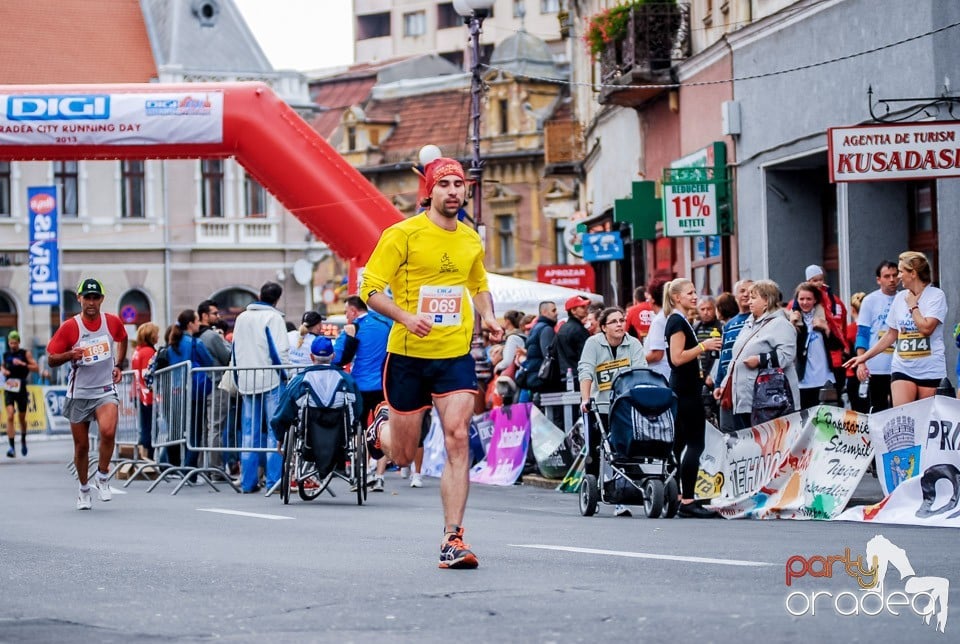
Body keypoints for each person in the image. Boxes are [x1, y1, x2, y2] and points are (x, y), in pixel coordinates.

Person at [361, 155, 502, 569]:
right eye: (445, 185)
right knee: (403, 455)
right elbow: (369, 289)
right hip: (407, 356)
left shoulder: (470, 239)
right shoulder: (402, 235)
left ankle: (453, 538)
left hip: (453, 355)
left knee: (457, 437)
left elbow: (477, 284)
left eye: (459, 184)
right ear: (429, 191)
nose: (454, 191)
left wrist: (489, 316)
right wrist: (406, 317)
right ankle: (380, 427)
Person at [46, 278, 128, 510]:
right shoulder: (70, 327)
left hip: (104, 389)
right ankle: (83, 489)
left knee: (108, 431)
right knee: (81, 447)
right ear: (79, 299)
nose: (91, 302)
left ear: (101, 299)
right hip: (79, 392)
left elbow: (122, 338)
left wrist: (118, 364)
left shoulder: (111, 322)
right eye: (87, 297)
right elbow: (52, 357)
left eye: (95, 297)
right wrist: (71, 354)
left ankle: (102, 475)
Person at [845, 251, 947, 407]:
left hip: (930, 368)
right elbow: (891, 334)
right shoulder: (900, 298)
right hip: (903, 367)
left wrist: (913, 305)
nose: (898, 277)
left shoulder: (936, 295)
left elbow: (927, 328)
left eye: (900, 272)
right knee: (902, 417)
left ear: (913, 273)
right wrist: (864, 357)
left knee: (925, 422)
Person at [577, 306, 646, 517]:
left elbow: (640, 370)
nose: (619, 325)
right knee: (596, 451)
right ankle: (592, 492)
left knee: (622, 451)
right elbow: (586, 369)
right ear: (604, 327)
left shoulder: (633, 344)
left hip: (625, 407)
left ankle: (620, 498)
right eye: (614, 321)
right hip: (600, 405)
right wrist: (586, 398)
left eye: (621, 320)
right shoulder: (593, 344)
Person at [663, 280, 723, 518]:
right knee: (695, 443)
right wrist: (703, 346)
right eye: (690, 293)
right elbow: (676, 358)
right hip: (685, 391)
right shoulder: (677, 321)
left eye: (695, 292)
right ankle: (687, 499)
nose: (695, 296)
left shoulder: (679, 320)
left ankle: (678, 496)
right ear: (677, 297)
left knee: (678, 445)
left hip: (684, 388)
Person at [233, 281, 290, 494]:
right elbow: (280, 351)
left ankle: (248, 482)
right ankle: (273, 480)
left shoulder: (241, 318)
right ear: (277, 299)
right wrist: (286, 375)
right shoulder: (273, 318)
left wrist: (238, 376)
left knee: (249, 432)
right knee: (274, 432)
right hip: (271, 379)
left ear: (259, 294)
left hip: (247, 378)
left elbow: (235, 349)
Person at [721, 280, 799, 431]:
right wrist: (725, 384)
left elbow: (787, 355)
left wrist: (759, 360)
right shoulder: (749, 323)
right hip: (744, 398)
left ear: (766, 301)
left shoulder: (780, 324)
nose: (749, 301)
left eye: (754, 297)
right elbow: (736, 356)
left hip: (769, 401)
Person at [333, 295, 393, 489]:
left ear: (353, 311)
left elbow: (338, 358)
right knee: (382, 427)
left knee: (359, 430)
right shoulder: (385, 322)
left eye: (345, 312)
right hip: (383, 385)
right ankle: (380, 476)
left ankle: (363, 472)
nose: (346, 316)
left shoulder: (353, 328)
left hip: (359, 386)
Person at [166, 309, 215, 469]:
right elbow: (209, 363)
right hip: (195, 392)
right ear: (190, 324)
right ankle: (190, 467)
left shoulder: (172, 344)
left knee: (178, 431)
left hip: (175, 391)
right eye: (196, 321)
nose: (199, 324)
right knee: (195, 431)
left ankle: (171, 464)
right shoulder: (195, 343)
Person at [854, 260, 898, 412]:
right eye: (887, 276)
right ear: (879, 279)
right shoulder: (870, 301)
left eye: (894, 275)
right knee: (877, 409)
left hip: (900, 365)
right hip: (877, 367)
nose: (892, 279)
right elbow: (862, 334)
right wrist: (861, 362)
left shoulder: (904, 298)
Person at [196, 300, 233, 473]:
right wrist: (223, 341)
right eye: (215, 313)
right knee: (216, 426)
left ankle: (204, 467)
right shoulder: (211, 337)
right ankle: (216, 469)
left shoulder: (195, 335)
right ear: (204, 315)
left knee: (206, 428)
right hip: (216, 384)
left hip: (201, 386)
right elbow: (227, 356)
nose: (218, 317)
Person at [800, 264, 849, 393]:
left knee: (832, 404)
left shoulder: (835, 301)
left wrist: (844, 347)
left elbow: (841, 329)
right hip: (806, 369)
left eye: (820, 280)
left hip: (834, 361)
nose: (818, 284)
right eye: (814, 280)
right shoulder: (798, 305)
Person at [713, 280, 753, 432]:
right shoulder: (729, 325)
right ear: (735, 296)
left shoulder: (756, 320)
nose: (746, 294)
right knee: (728, 430)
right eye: (742, 290)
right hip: (727, 385)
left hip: (747, 386)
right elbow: (723, 357)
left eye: (750, 290)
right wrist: (718, 383)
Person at [790, 282, 837, 409]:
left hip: (824, 377)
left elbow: (836, 345)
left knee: (826, 419)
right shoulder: (793, 319)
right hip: (803, 380)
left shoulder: (824, 316)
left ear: (815, 300)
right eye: (801, 299)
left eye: (809, 299)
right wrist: (792, 325)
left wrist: (826, 328)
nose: (805, 302)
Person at [3, 330, 38, 457]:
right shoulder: (6, 355)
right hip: (9, 388)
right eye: (11, 343)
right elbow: (3, 366)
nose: (13, 345)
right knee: (10, 415)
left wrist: (23, 364)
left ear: (18, 342)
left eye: (15, 343)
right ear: (8, 343)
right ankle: (11, 447)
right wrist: (3, 370)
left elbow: (36, 368)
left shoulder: (25, 353)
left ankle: (23, 440)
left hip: (21, 387)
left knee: (22, 418)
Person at [131, 322, 159, 460]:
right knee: (150, 427)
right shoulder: (148, 352)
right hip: (147, 395)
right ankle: (149, 458)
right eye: (156, 333)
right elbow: (147, 375)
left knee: (144, 426)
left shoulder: (138, 351)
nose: (158, 336)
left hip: (138, 393)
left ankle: (144, 456)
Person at [518, 301, 559, 393]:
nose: (557, 313)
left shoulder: (536, 328)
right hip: (544, 379)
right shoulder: (546, 329)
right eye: (553, 310)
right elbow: (548, 355)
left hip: (534, 376)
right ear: (544, 312)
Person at [556, 295, 592, 385]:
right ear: (573, 311)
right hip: (580, 376)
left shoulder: (563, 328)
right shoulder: (579, 330)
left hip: (566, 375)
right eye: (582, 307)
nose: (586, 309)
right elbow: (587, 355)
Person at [845, 292, 868, 413]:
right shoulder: (872, 328)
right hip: (870, 372)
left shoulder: (850, 329)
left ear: (852, 309)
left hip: (853, 374)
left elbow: (846, 351)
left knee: (856, 412)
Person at [644, 280, 670, 380]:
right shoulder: (667, 316)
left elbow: (657, 354)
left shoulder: (659, 321)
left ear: (653, 299)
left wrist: (634, 361)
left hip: (659, 374)